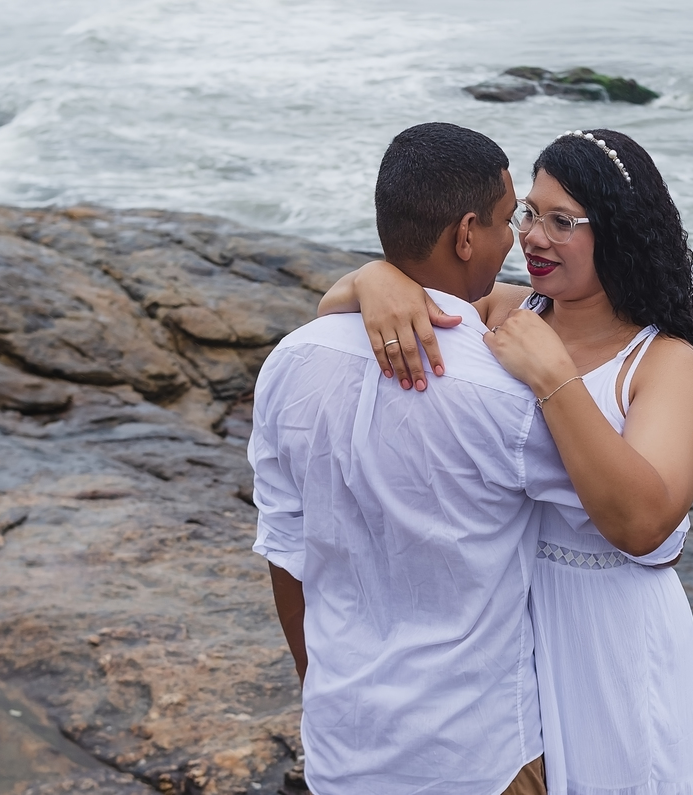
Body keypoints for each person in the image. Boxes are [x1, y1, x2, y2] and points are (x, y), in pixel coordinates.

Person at [319, 128, 693, 795]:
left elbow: (643, 521)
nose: (532, 235)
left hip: (610, 633)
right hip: (503, 623)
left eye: (562, 220)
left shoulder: (666, 363)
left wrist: (554, 379)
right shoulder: (505, 309)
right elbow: (331, 317)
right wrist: (375, 278)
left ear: (616, 232)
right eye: (528, 213)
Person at [250, 122, 580, 795]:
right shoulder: (511, 389)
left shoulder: (290, 361)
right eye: (504, 218)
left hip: (344, 744)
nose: (516, 236)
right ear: (464, 236)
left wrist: (326, 691)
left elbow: (287, 557)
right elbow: (619, 530)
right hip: (481, 755)